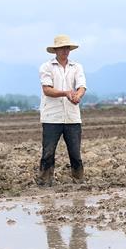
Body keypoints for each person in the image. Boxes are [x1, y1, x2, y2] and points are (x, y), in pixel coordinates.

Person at [36, 34, 87, 185]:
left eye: (67, 48)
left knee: (75, 153)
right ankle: (45, 181)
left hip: (72, 117)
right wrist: (66, 93)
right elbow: (47, 89)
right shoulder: (46, 67)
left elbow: (82, 86)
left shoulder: (77, 67)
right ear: (56, 50)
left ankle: (78, 179)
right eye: (62, 48)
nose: (65, 51)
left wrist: (77, 95)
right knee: (48, 152)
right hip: (52, 116)